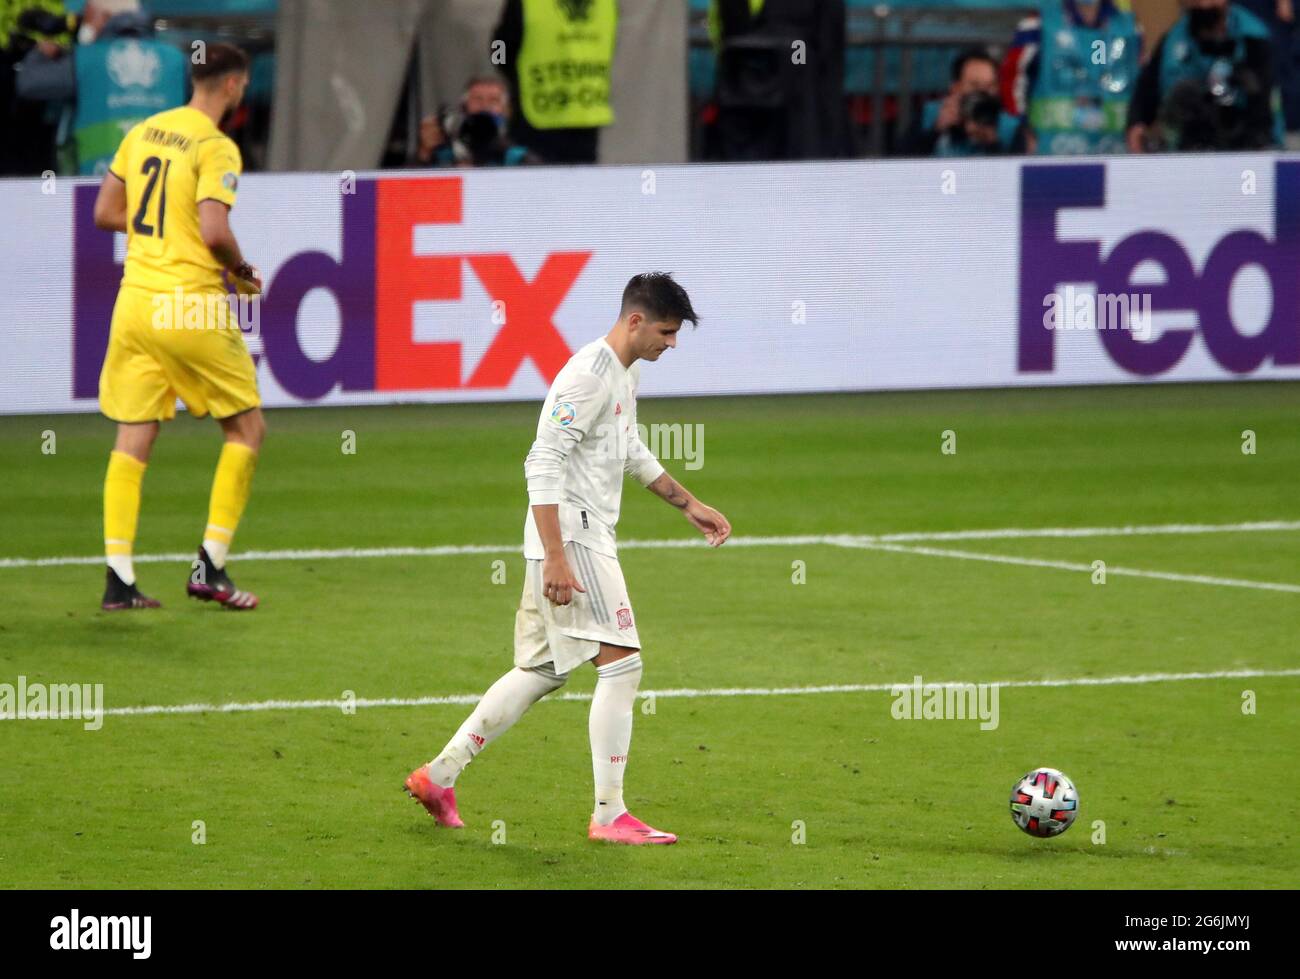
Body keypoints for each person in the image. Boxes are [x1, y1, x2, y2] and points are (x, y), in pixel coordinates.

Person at [405, 273, 733, 845]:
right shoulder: (587, 377)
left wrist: (689, 504)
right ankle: (609, 815)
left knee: (541, 671)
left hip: (570, 536)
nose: (671, 344)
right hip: (573, 537)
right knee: (623, 664)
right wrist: (556, 556)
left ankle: (439, 776)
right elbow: (542, 460)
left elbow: (627, 449)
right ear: (635, 321)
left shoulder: (621, 375)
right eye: (666, 331)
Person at [92, 42, 264, 611]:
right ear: (235, 86)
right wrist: (239, 274)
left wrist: (161, 233)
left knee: (133, 436)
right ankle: (209, 566)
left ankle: (119, 578)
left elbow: (105, 212)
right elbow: (214, 230)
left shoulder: (144, 130)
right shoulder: (216, 147)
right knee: (246, 431)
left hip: (135, 303)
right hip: (188, 305)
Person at [15, 0, 186, 174]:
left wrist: (42, 53)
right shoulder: (176, 59)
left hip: (96, 183)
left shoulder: (84, 59)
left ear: (101, 17)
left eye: (86, 15)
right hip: (166, 182)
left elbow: (29, 83)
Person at [1127, 0, 1283, 151]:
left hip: (1245, 142)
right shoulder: (1172, 41)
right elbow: (1146, 90)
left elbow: (1264, 105)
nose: (1204, 4)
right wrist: (1137, 123)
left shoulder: (1252, 38)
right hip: (1185, 144)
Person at [1002, 0, 1142, 155]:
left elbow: (1142, 86)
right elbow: (1011, 81)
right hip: (1050, 149)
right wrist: (1021, 131)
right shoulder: (1038, 24)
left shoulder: (1129, 29)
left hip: (1114, 150)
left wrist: (1137, 126)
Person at [491, 0, 617, 165]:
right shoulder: (606, 4)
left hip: (536, 115)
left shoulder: (527, 3)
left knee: (535, 184)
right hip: (585, 110)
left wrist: (508, 72)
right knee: (581, 186)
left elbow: (499, 44)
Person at [905, 47, 1022, 157]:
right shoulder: (930, 115)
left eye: (990, 86)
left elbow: (1016, 173)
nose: (982, 94)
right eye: (975, 86)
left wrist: (992, 144)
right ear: (955, 87)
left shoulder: (1009, 127)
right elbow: (901, 165)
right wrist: (936, 131)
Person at [414, 73, 538, 167]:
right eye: (477, 99)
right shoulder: (445, 155)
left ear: (506, 111)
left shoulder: (517, 156)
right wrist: (424, 152)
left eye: (493, 100)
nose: (485, 106)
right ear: (463, 107)